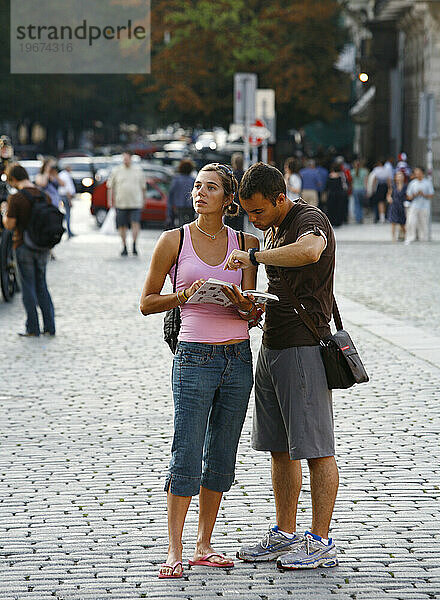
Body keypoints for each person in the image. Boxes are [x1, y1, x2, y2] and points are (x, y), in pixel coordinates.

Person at [139, 163, 260, 579]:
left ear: (229, 199)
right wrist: (185, 295)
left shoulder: (246, 242)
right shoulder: (174, 240)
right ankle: (173, 549)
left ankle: (203, 544)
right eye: (197, 186)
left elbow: (252, 307)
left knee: (221, 453)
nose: (200, 193)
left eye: (211, 188)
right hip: (193, 356)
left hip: (238, 357)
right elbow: (147, 301)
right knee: (186, 450)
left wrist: (247, 305)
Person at [224, 162, 339, 570]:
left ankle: (321, 540)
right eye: (247, 213)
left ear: (279, 198)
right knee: (279, 448)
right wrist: (248, 304)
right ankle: (285, 532)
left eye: (258, 212)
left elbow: (310, 251)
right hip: (273, 344)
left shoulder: (309, 218)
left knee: (316, 449)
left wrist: (255, 253)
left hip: (304, 347)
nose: (253, 220)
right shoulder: (272, 226)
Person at [1, 163, 55, 337]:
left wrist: (4, 213)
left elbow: (9, 225)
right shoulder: (43, 195)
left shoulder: (16, 198)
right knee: (42, 286)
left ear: (14, 179)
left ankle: (32, 328)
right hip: (42, 247)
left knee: (28, 287)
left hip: (23, 246)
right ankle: (49, 326)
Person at [107, 151, 145, 256]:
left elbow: (143, 187)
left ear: (131, 158)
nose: (125, 160)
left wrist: (143, 200)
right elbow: (110, 187)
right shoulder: (116, 170)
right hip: (121, 203)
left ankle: (134, 244)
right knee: (122, 226)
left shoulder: (138, 170)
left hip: (135, 202)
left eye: (127, 158)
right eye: (124, 158)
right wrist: (110, 201)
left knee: (135, 224)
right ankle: (124, 245)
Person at [405, 166, 434, 244]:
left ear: (422, 173)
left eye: (418, 172)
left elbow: (431, 195)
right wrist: (415, 195)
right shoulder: (412, 183)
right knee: (411, 221)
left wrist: (423, 194)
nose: (417, 173)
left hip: (424, 206)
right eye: (415, 172)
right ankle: (411, 237)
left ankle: (424, 238)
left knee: (424, 222)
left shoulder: (427, 182)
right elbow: (408, 196)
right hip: (414, 205)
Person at [168, 159, 195, 228]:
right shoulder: (193, 180)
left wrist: (171, 205)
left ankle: (182, 237)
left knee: (180, 222)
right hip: (190, 205)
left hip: (179, 205)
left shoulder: (176, 179)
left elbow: (171, 193)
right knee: (191, 223)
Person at [224, 153, 245, 230]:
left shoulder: (230, 175)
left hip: (230, 203)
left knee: (228, 229)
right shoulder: (245, 175)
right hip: (241, 205)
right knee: (239, 229)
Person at [387, 171, 407, 242]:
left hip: (401, 205)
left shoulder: (405, 186)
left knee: (402, 223)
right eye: (398, 176)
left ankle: (406, 236)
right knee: (393, 222)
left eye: (401, 176)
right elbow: (389, 194)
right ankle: (393, 237)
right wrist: (389, 198)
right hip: (394, 205)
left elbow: (407, 196)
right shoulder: (393, 186)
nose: (399, 177)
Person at [370, 159, 392, 223]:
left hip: (379, 186)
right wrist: (390, 188)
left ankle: (382, 217)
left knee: (380, 202)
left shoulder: (376, 169)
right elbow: (389, 179)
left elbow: (374, 179)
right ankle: (385, 216)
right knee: (385, 201)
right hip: (385, 186)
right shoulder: (387, 170)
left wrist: (373, 188)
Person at [326, 163, 346, 227]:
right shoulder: (341, 175)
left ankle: (332, 221)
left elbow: (327, 186)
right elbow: (344, 185)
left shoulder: (330, 176)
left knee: (331, 208)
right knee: (339, 208)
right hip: (339, 194)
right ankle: (338, 221)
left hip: (331, 194)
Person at [58, 165, 76, 238]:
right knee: (68, 214)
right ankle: (68, 231)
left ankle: (68, 231)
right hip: (65, 196)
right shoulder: (65, 175)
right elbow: (67, 188)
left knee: (66, 214)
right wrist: (70, 200)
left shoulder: (61, 174)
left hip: (62, 195)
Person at [350, 159, 368, 224]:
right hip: (362, 189)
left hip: (355, 189)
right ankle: (361, 218)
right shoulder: (364, 171)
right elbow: (366, 182)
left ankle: (358, 218)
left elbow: (351, 182)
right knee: (361, 204)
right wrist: (366, 190)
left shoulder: (352, 172)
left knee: (356, 204)